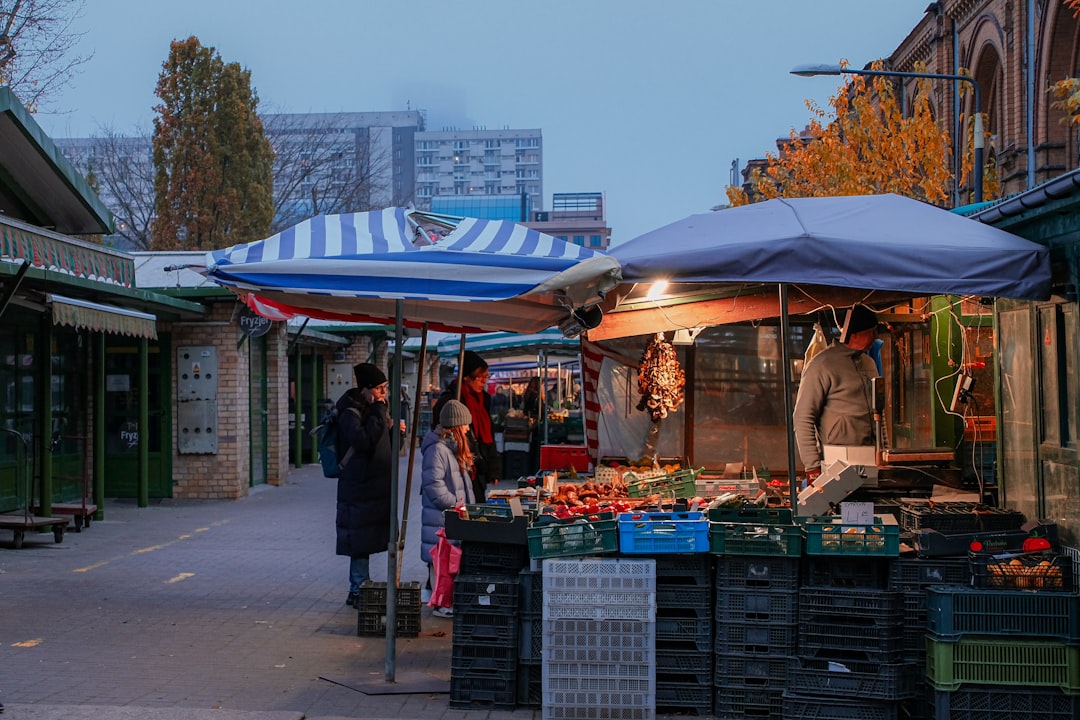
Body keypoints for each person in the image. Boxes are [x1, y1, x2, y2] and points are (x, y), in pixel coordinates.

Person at [793, 304, 881, 482]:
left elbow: (879, 412)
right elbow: (803, 417)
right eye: (872, 331)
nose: (876, 336)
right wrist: (812, 467)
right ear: (855, 334)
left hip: (871, 458)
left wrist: (883, 449)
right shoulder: (822, 365)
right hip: (837, 460)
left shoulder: (869, 363)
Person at [336, 363, 395, 609]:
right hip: (358, 486)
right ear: (366, 389)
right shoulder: (351, 412)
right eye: (380, 389)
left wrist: (392, 429)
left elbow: (381, 442)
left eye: (385, 389)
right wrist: (381, 413)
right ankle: (358, 588)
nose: (383, 394)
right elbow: (365, 441)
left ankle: (358, 587)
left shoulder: (370, 409)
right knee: (359, 540)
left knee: (364, 539)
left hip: (370, 486)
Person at [419, 399, 476, 618]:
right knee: (442, 564)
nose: (468, 429)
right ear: (455, 426)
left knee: (448, 563)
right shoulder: (438, 450)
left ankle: (445, 602)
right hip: (442, 520)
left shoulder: (450, 448)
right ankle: (442, 605)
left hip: (451, 518)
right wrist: (456, 503)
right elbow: (434, 487)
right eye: (465, 425)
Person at [433, 350, 499, 501]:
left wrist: (493, 469)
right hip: (459, 469)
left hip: (478, 470)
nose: (484, 381)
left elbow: (488, 436)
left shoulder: (483, 400)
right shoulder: (450, 402)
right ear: (466, 377)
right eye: (479, 377)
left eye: (486, 377)